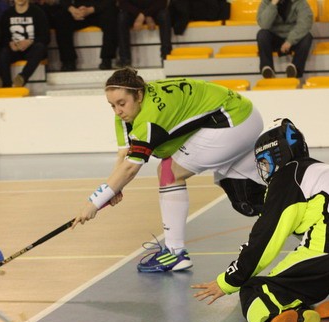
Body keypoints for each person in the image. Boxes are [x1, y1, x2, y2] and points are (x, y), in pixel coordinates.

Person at [192, 118, 329, 322]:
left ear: (274, 156)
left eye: (264, 163)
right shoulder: (327, 170)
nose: (263, 169)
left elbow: (265, 239)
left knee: (253, 290)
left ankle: (287, 315)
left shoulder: (287, 177)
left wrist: (228, 281)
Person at [73, 67, 268, 273]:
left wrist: (94, 202)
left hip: (232, 120)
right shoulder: (127, 111)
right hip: (242, 114)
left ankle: (175, 253)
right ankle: (290, 217)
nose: (117, 111)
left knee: (169, 173)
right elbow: (123, 155)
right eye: (112, 105)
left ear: (138, 95)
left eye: (122, 103)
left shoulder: (149, 118)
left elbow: (130, 169)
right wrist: (114, 189)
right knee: (248, 196)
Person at [53, 0, 118, 71]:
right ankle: (68, 61)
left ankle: (107, 59)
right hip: (77, 11)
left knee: (111, 13)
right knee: (61, 16)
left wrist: (91, 10)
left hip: (99, 11)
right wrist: (72, 10)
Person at [256, 0, 314, 79]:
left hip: (293, 38)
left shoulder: (299, 2)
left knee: (307, 37)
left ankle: (295, 69)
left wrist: (290, 41)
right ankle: (267, 69)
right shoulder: (266, 2)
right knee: (262, 34)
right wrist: (273, 4)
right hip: (275, 37)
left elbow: (305, 23)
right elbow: (264, 24)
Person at [0, 0, 50, 87]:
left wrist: (30, 41)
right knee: (4, 52)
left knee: (40, 47)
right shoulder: (7, 14)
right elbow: (2, 37)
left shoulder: (38, 12)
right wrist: (10, 44)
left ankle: (22, 78)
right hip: (14, 50)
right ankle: (6, 85)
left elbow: (46, 37)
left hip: (32, 49)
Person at [117, 0, 171, 67]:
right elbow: (123, 3)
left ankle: (166, 56)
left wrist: (145, 14)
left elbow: (162, 2)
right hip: (133, 13)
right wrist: (141, 15)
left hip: (153, 12)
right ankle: (125, 60)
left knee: (164, 15)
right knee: (122, 18)